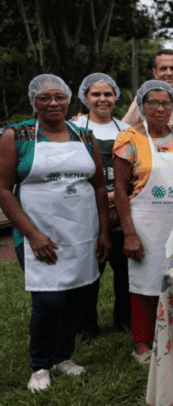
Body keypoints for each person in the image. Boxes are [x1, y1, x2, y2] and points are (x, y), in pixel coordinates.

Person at [0, 74, 110, 392]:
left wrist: (103, 232)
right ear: (34, 101)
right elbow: (4, 190)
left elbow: (100, 186)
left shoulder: (84, 136)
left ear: (68, 101)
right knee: (48, 301)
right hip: (37, 234)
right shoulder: (17, 135)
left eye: (59, 97)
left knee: (75, 297)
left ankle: (63, 357)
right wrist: (32, 234)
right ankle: (39, 365)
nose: (53, 103)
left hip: (81, 232)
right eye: (45, 97)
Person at [114, 80, 173, 364]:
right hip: (145, 223)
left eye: (167, 103)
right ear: (141, 106)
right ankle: (141, 344)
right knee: (145, 285)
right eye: (154, 103)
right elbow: (121, 193)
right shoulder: (129, 139)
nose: (161, 108)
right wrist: (129, 233)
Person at [74, 73, 132, 339]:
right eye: (96, 94)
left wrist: (117, 196)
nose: (102, 99)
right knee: (89, 270)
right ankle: (86, 324)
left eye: (108, 94)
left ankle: (124, 317)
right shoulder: (74, 129)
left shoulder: (126, 130)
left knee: (125, 270)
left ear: (116, 97)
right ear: (85, 97)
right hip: (87, 211)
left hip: (121, 210)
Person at [121, 49, 173, 126]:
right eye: (163, 69)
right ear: (155, 73)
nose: (169, 73)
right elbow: (122, 133)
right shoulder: (142, 102)